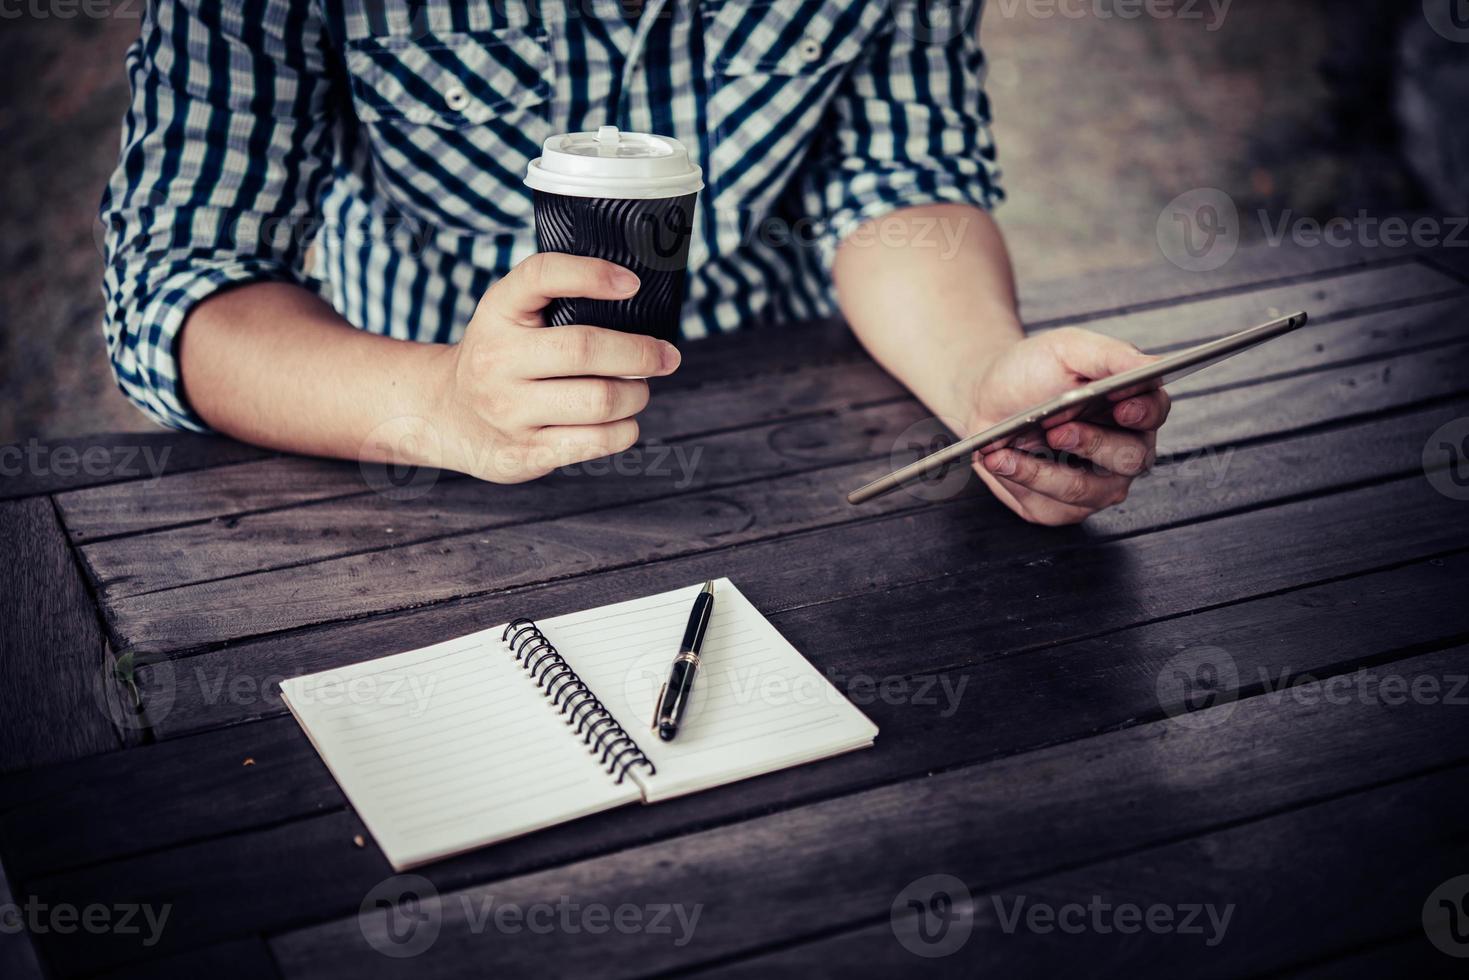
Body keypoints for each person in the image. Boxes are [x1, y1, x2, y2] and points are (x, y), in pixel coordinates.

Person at [99, 0, 1169, 526]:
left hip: (790, 438)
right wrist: (439, 401)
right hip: (407, 467)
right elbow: (179, 276)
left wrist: (981, 376)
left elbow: (899, 180)